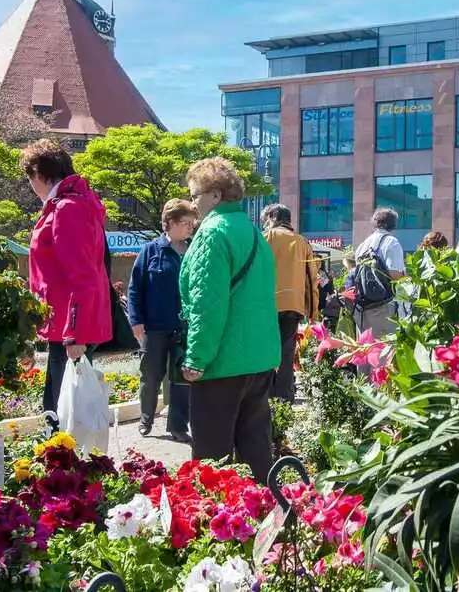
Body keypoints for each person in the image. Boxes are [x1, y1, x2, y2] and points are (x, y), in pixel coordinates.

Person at [179, 157, 280, 483]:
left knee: (212, 459)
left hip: (223, 361)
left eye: (196, 195)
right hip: (260, 358)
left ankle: (214, 527)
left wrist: (196, 358)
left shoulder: (212, 234)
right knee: (256, 449)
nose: (193, 203)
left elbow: (207, 304)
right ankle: (269, 516)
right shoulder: (254, 233)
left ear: (216, 196)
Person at [20, 139, 111, 421]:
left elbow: (81, 275)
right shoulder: (68, 204)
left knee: (62, 414)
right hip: (66, 325)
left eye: (30, 178)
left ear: (39, 173)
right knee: (62, 410)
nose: (31, 186)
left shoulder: (67, 208)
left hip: (69, 328)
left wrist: (75, 333)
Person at [127, 199, 196, 443]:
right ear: (169, 223)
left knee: (180, 378)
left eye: (192, 223)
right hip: (154, 327)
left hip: (182, 328)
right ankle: (146, 419)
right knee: (151, 375)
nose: (190, 227)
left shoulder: (193, 251)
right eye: (185, 223)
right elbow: (135, 288)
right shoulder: (151, 251)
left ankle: (177, 426)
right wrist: (136, 321)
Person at [261, 203, 319, 404]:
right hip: (293, 304)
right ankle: (284, 395)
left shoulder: (265, 238)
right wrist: (313, 310)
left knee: (265, 348)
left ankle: (265, 393)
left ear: (272, 217)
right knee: (287, 351)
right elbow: (312, 278)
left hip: (266, 303)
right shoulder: (302, 242)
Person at [353, 208, 405, 339]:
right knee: (384, 351)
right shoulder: (391, 242)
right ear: (393, 225)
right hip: (383, 306)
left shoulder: (363, 244)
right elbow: (394, 274)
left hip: (363, 306)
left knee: (367, 350)